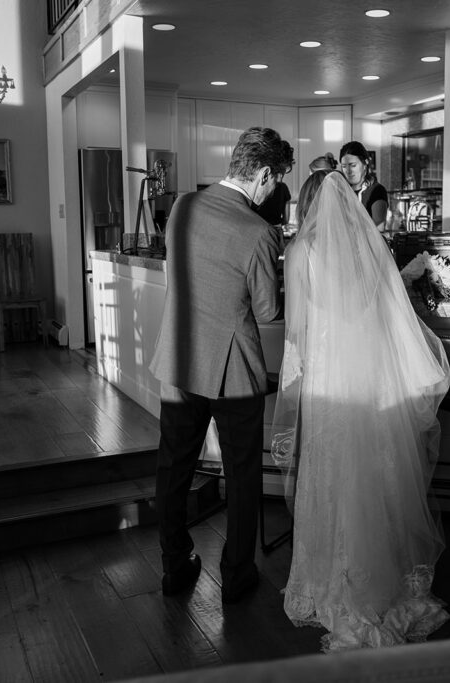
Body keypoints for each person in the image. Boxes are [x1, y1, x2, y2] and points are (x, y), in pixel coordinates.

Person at [271, 170, 450, 652]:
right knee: (371, 476)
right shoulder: (365, 249)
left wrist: (295, 383)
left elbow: (299, 331)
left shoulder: (300, 252)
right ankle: (379, 577)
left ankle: (338, 582)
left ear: (306, 207)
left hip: (330, 376)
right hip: (369, 378)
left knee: (332, 473)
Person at [150, 126, 294, 604]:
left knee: (174, 467)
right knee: (242, 472)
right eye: (275, 184)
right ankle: (235, 574)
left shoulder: (182, 208)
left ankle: (175, 565)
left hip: (181, 356)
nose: (273, 193)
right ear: (265, 175)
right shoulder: (258, 232)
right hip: (232, 370)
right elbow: (268, 311)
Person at [339, 141, 388, 228]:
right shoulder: (341, 191)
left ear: (365, 163)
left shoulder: (376, 190)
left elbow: (379, 228)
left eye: (353, 165)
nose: (348, 171)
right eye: (344, 166)